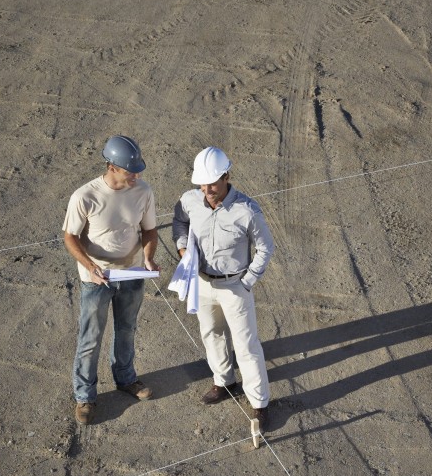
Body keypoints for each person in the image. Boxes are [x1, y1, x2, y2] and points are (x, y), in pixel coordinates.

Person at [172, 147, 275, 432]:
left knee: (246, 346)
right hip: (203, 283)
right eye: (202, 185)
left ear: (227, 176)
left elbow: (266, 248)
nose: (207, 190)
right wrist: (182, 247)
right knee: (211, 333)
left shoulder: (247, 210)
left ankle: (260, 403)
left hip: (234, 285)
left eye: (213, 184)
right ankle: (223, 382)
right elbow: (179, 220)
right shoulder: (190, 200)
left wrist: (248, 280)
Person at [63, 135, 160, 425]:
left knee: (127, 329)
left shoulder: (143, 191)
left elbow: (150, 231)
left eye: (138, 170)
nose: (137, 175)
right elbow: (70, 237)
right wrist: (90, 265)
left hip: (131, 274)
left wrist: (148, 257)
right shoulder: (85, 196)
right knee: (90, 338)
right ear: (112, 167)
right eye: (131, 171)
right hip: (97, 279)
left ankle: (126, 379)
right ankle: (85, 396)